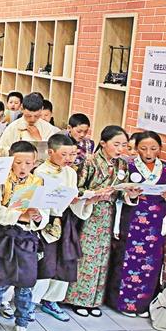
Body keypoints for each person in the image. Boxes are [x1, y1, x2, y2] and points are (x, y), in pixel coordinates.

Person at [65, 125, 135, 317]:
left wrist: (130, 193)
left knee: (103, 256)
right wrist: (95, 193)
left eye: (124, 145)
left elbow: (120, 192)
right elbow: (77, 190)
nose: (120, 149)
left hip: (109, 214)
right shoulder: (90, 162)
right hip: (89, 212)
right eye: (116, 144)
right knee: (86, 255)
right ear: (103, 143)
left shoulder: (122, 165)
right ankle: (78, 299)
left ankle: (94, 300)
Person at [0, 141, 49, 331]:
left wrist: (37, 217)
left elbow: (45, 212)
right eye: (18, 162)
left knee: (25, 285)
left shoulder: (38, 183)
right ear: (11, 161)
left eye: (28, 163)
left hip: (27, 238)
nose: (23, 167)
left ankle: (22, 323)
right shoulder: (0, 181)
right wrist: (21, 215)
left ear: (35, 163)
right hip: (4, 236)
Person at [107, 131, 166, 317]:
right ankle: (123, 303)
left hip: (155, 222)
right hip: (133, 219)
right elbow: (119, 192)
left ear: (160, 149)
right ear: (137, 149)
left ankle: (142, 305)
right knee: (127, 260)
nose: (148, 152)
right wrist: (130, 195)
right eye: (144, 148)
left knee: (151, 263)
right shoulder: (129, 166)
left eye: (153, 148)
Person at [33, 133, 90, 322]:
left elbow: (73, 200)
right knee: (45, 262)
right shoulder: (40, 172)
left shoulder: (70, 173)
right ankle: (32, 301)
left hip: (66, 220)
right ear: (51, 152)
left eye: (72, 154)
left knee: (66, 260)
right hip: (47, 220)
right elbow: (40, 200)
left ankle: (52, 300)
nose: (69, 159)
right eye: (63, 154)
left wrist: (85, 200)